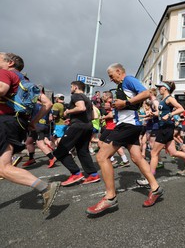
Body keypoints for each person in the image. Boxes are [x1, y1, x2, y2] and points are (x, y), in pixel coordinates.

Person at [86, 63, 164, 215]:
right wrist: (118, 107)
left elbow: (147, 93)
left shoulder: (128, 79)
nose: (111, 79)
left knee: (102, 156)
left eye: (111, 75)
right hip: (128, 125)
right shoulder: (122, 86)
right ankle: (155, 188)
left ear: (118, 71)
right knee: (137, 158)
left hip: (128, 126)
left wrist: (125, 103)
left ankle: (110, 197)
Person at [0, 52, 59, 213]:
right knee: (3, 166)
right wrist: (32, 122)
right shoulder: (26, 81)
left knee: (3, 167)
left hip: (4, 121)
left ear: (10, 62)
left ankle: (45, 187)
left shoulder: (5, 72)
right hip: (19, 123)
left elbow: (2, 89)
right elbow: (47, 103)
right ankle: (45, 188)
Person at [53, 81, 101, 186]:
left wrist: (68, 112)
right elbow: (93, 116)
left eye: (71, 87)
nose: (70, 88)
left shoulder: (76, 95)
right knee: (83, 151)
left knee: (60, 150)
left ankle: (76, 173)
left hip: (78, 127)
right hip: (88, 126)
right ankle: (93, 174)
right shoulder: (87, 99)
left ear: (75, 87)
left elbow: (81, 108)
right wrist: (72, 120)